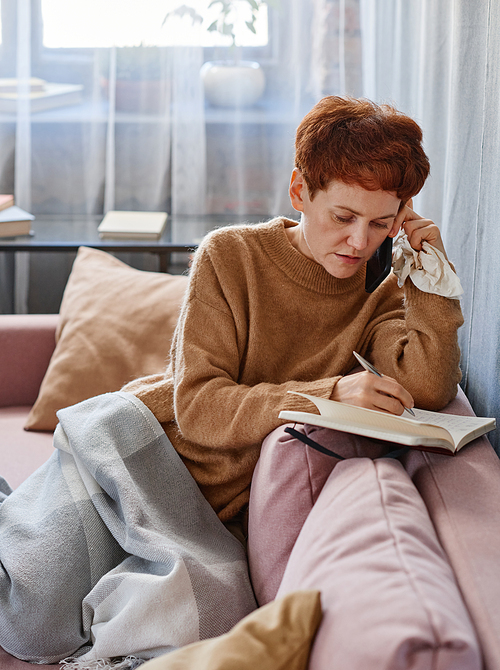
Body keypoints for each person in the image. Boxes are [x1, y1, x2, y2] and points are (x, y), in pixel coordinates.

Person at [123, 95, 463, 534]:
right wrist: (327, 396)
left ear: (400, 217)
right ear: (300, 191)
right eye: (343, 216)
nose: (359, 242)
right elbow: (197, 407)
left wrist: (429, 267)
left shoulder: (382, 290)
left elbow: (430, 388)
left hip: (212, 514)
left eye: (380, 223)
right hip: (141, 452)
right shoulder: (230, 255)